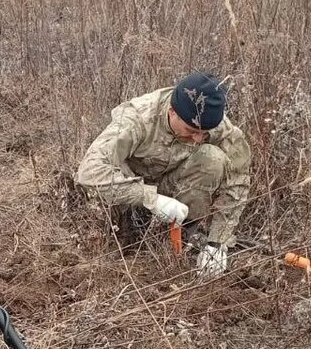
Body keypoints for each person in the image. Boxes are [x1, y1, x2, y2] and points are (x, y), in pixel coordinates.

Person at [76, 73, 251, 276]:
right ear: (172, 112)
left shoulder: (214, 124)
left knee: (213, 159)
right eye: (191, 130)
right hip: (128, 192)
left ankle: (183, 236)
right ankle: (125, 233)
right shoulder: (138, 118)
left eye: (204, 134)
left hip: (172, 186)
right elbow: (89, 170)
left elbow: (238, 179)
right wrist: (150, 199)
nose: (198, 138)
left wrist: (218, 242)